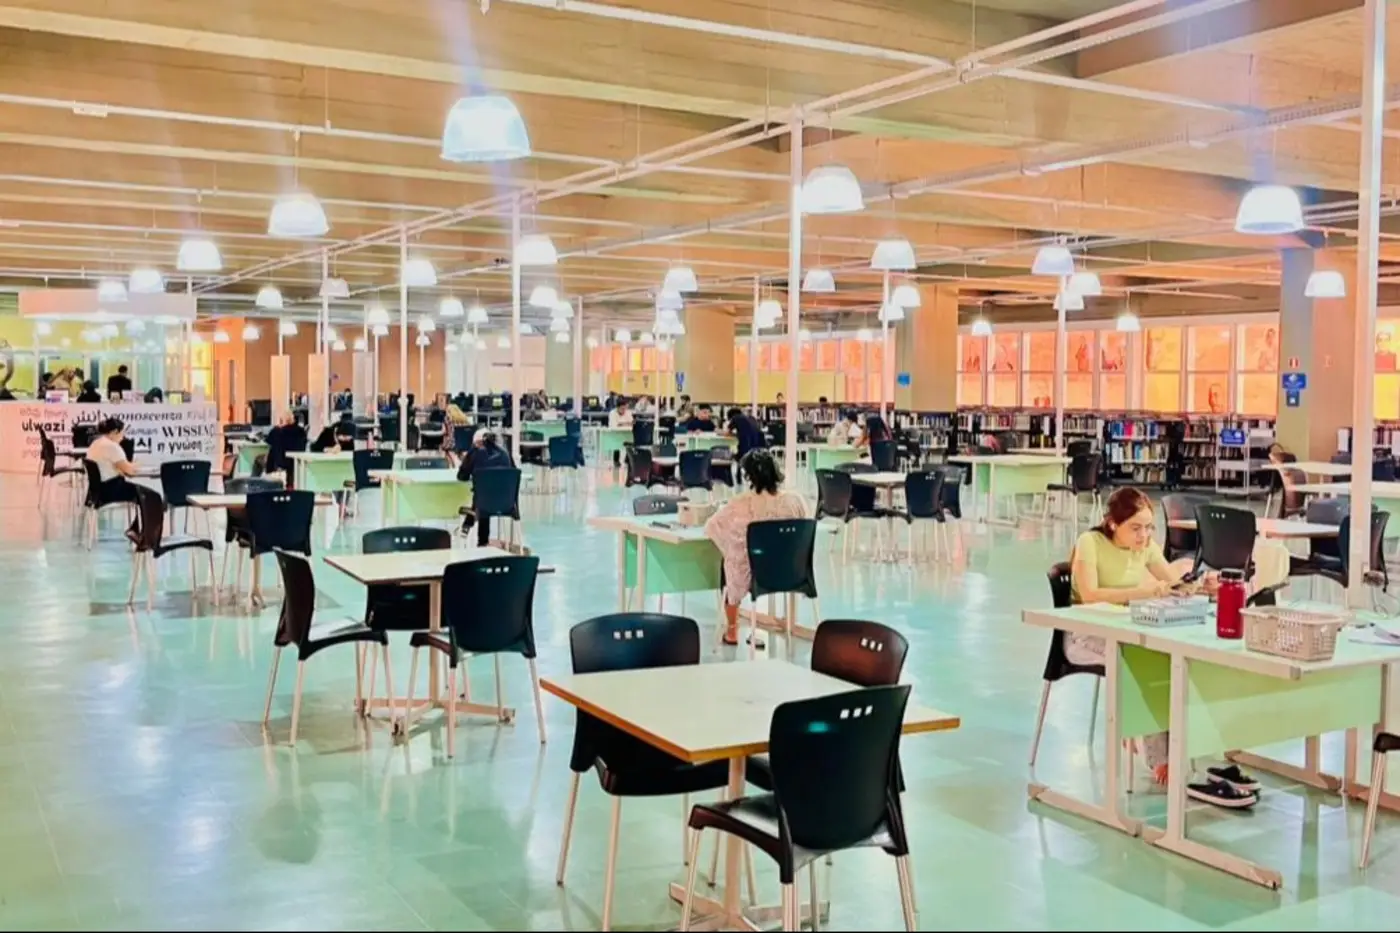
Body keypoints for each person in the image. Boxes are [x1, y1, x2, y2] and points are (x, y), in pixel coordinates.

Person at [1067, 488, 1257, 803]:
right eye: (1135, 528)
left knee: (1182, 663)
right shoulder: (1090, 543)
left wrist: (1198, 586)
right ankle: (1161, 758)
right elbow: (1089, 595)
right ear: (1113, 524)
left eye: (1149, 527)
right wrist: (1147, 591)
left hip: (1127, 628)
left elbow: (1171, 583)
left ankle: (1197, 751)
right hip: (1084, 635)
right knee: (1147, 663)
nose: (1144, 536)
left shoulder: (1146, 547)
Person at [704, 449, 807, 648]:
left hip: (758, 575)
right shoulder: (795, 501)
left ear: (748, 476)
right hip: (793, 572)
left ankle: (731, 630)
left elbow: (713, 527)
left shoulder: (741, 503)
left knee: (730, 562)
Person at [86, 417, 142, 542]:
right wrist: (136, 465)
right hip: (111, 490)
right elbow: (129, 471)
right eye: (122, 433)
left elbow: (114, 467)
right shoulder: (112, 447)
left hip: (96, 492)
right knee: (146, 496)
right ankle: (141, 534)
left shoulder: (95, 444)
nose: (123, 437)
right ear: (115, 432)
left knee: (140, 493)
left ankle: (136, 529)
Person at [457, 429, 514, 546]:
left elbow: (462, 476)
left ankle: (473, 532)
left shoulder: (475, 453)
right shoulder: (505, 453)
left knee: (482, 497)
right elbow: (513, 471)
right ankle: (469, 526)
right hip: (507, 504)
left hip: (483, 505)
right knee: (486, 495)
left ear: (478, 443)